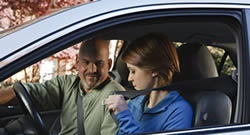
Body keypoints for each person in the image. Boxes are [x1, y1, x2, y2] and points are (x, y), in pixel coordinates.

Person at [0, 38, 125, 135]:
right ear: (77, 63)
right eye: (86, 62)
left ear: (108, 64)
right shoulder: (68, 84)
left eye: (98, 63)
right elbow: (28, 93)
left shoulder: (116, 96)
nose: (92, 69)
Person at [105, 33, 193, 134]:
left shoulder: (180, 111)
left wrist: (124, 117)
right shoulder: (134, 104)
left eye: (133, 71)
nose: (129, 78)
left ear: (154, 70)